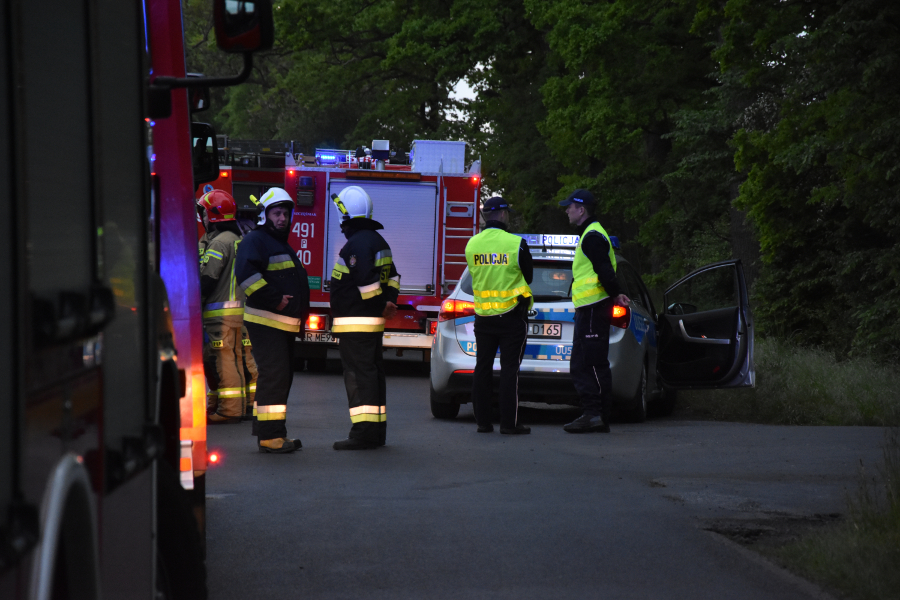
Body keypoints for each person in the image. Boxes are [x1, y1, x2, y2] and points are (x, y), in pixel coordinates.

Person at [235, 187, 310, 453]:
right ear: (265, 215)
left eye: (286, 213)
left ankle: (274, 432)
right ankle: (269, 437)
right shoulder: (255, 240)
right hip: (267, 321)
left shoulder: (277, 243)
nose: (282, 218)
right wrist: (275, 299)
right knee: (274, 376)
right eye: (277, 213)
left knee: (281, 377)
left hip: (280, 324)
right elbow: (246, 275)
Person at [329, 186, 400, 450]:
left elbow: (365, 282)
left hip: (356, 323)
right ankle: (376, 431)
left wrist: (382, 305)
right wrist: (390, 301)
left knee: (358, 377)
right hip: (370, 325)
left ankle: (363, 433)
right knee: (373, 374)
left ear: (345, 214)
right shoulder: (378, 241)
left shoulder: (356, 244)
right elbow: (393, 277)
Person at [559, 189, 630, 433]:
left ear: (581, 209)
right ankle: (592, 414)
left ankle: (597, 415)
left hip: (594, 308)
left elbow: (604, 269)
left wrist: (616, 293)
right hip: (588, 309)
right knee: (581, 364)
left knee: (591, 364)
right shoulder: (590, 235)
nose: (567, 210)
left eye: (570, 207)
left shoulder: (592, 236)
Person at [464, 197, 534, 435]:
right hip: (511, 315)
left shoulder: (472, 244)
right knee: (509, 370)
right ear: (503, 214)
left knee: (482, 368)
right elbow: (529, 276)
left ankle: (483, 423)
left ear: (485, 216)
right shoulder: (517, 243)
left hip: (483, 316)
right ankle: (509, 424)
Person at [197, 190, 248, 424]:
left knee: (224, 362)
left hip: (220, 314)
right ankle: (236, 407)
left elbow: (207, 278)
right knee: (236, 360)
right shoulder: (239, 239)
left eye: (205, 214)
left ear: (213, 216)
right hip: (239, 313)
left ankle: (230, 410)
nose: (203, 219)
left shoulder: (218, 242)